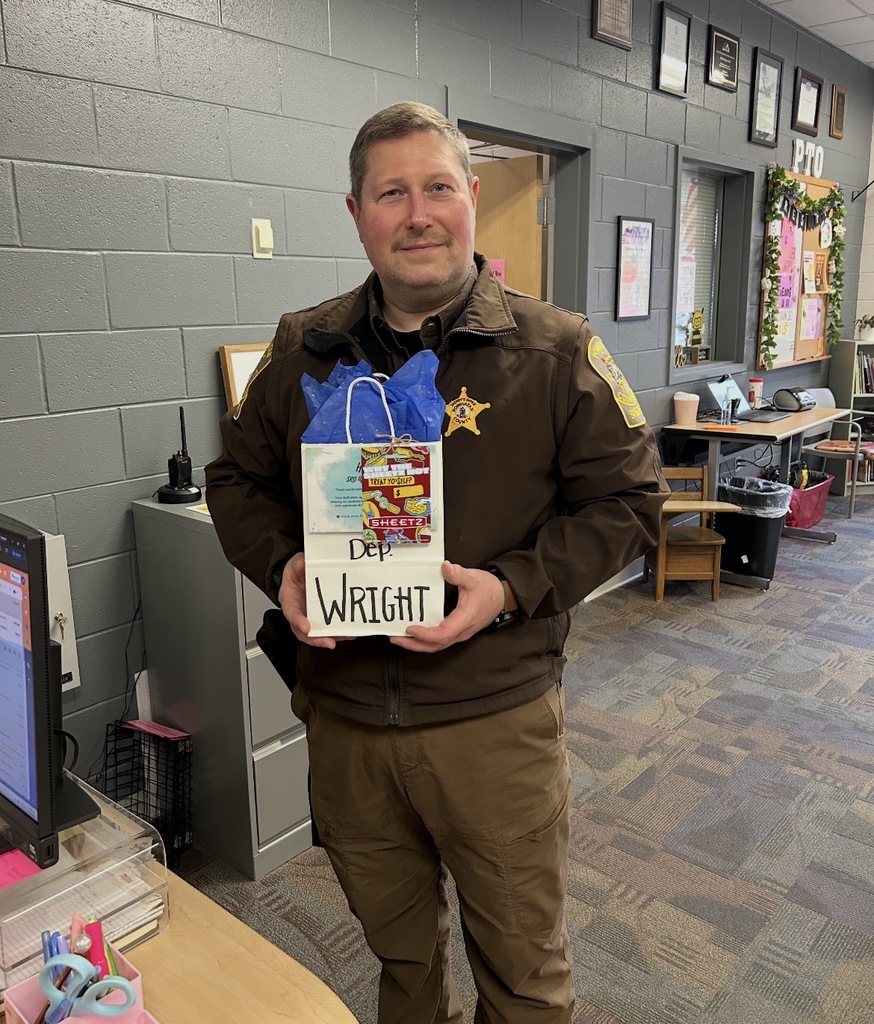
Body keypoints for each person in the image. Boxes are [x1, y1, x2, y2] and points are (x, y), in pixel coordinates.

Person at [206, 101, 668, 1024]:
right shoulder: (303, 348)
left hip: (491, 723)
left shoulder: (556, 350)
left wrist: (508, 588)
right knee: (402, 961)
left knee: (524, 978)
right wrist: (284, 564)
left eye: (437, 188)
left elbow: (629, 503)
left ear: (472, 197)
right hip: (347, 723)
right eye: (391, 194)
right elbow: (236, 482)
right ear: (357, 213)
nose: (417, 215)